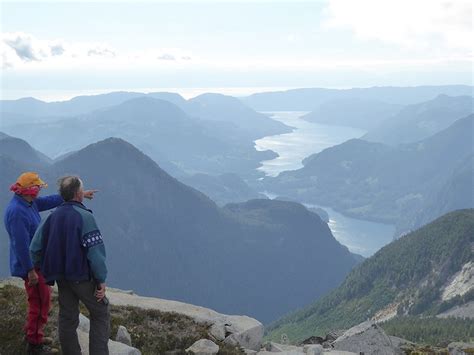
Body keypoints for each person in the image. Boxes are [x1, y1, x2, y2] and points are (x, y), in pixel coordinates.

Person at [3, 172, 97, 355]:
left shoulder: (27, 203)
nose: (39, 190)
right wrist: (30, 271)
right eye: (37, 187)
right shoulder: (17, 213)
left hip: (34, 263)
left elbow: (48, 202)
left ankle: (34, 334)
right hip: (30, 266)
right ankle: (34, 344)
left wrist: (79, 195)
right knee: (39, 301)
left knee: (41, 299)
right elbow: (21, 245)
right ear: (30, 190)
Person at [30, 175, 109, 355]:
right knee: (100, 312)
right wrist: (101, 280)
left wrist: (38, 268)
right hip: (82, 277)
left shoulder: (52, 217)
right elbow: (95, 253)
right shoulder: (85, 217)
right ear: (78, 194)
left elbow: (35, 247)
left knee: (67, 317)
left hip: (61, 277)